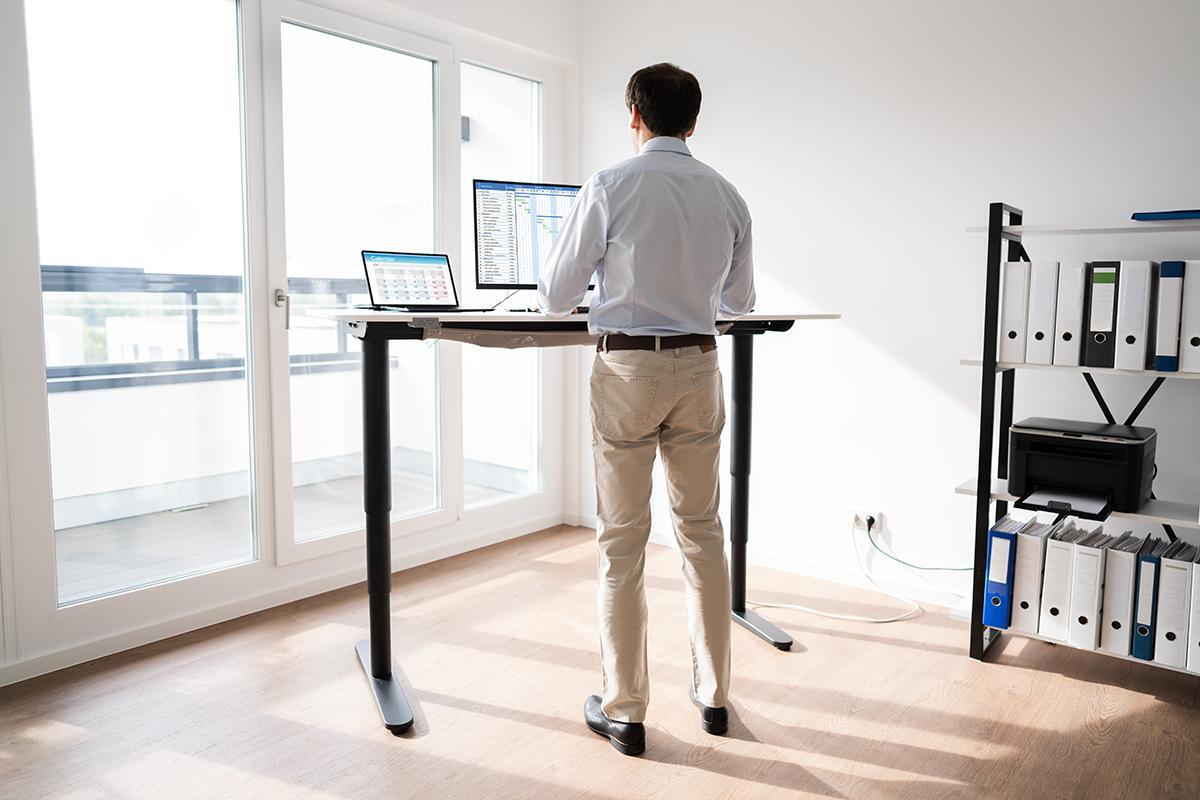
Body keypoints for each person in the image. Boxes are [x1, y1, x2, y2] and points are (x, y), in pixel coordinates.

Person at [538, 62, 755, 756]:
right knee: (702, 533)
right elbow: (740, 305)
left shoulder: (608, 185)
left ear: (634, 114)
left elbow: (554, 295)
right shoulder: (727, 196)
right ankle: (715, 697)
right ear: (694, 121)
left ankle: (626, 711)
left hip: (628, 367)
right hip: (698, 367)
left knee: (622, 543)